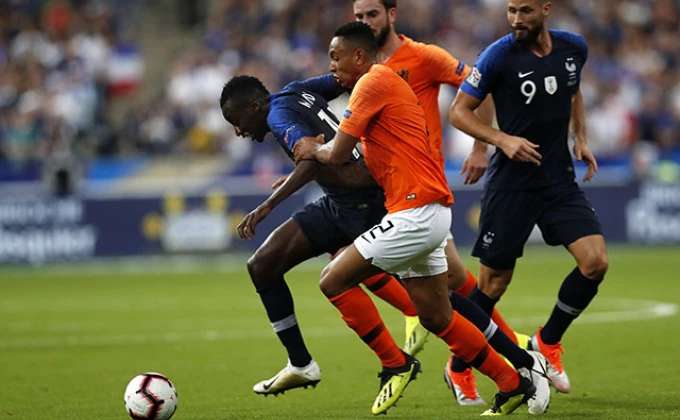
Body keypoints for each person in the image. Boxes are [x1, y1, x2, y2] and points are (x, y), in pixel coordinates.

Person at [293, 21, 549, 416]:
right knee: (436, 314)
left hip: (415, 214)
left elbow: (338, 154)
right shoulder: (382, 85)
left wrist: (312, 149)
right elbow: (359, 164)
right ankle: (513, 381)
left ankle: (395, 363)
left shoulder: (371, 83)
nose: (331, 66)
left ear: (359, 56)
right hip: (424, 212)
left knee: (333, 279)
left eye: (335, 57)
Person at [352, 0, 529, 405]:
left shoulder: (423, 56)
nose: (365, 22)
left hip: (420, 188)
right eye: (359, 16)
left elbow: (479, 86)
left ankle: (506, 358)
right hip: (380, 184)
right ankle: (511, 355)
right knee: (451, 281)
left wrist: (481, 146)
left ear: (392, 14)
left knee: (437, 286)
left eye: (372, 14)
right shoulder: (355, 63)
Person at [220, 74, 428, 396]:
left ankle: (498, 353)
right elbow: (345, 79)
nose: (238, 131)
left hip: (365, 207)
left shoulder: (278, 116)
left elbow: (311, 161)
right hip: (339, 204)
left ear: (254, 106)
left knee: (434, 297)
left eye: (237, 121)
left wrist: (267, 206)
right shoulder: (295, 90)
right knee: (263, 265)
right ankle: (301, 364)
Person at [449, 0, 609, 394]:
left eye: (525, 11)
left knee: (595, 263)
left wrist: (581, 138)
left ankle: (547, 342)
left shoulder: (573, 47)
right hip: (511, 185)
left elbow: (573, 92)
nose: (517, 19)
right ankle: (458, 366)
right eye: (511, 11)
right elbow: (459, 111)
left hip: (558, 179)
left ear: (546, 9)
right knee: (492, 284)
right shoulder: (497, 55)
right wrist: (500, 140)